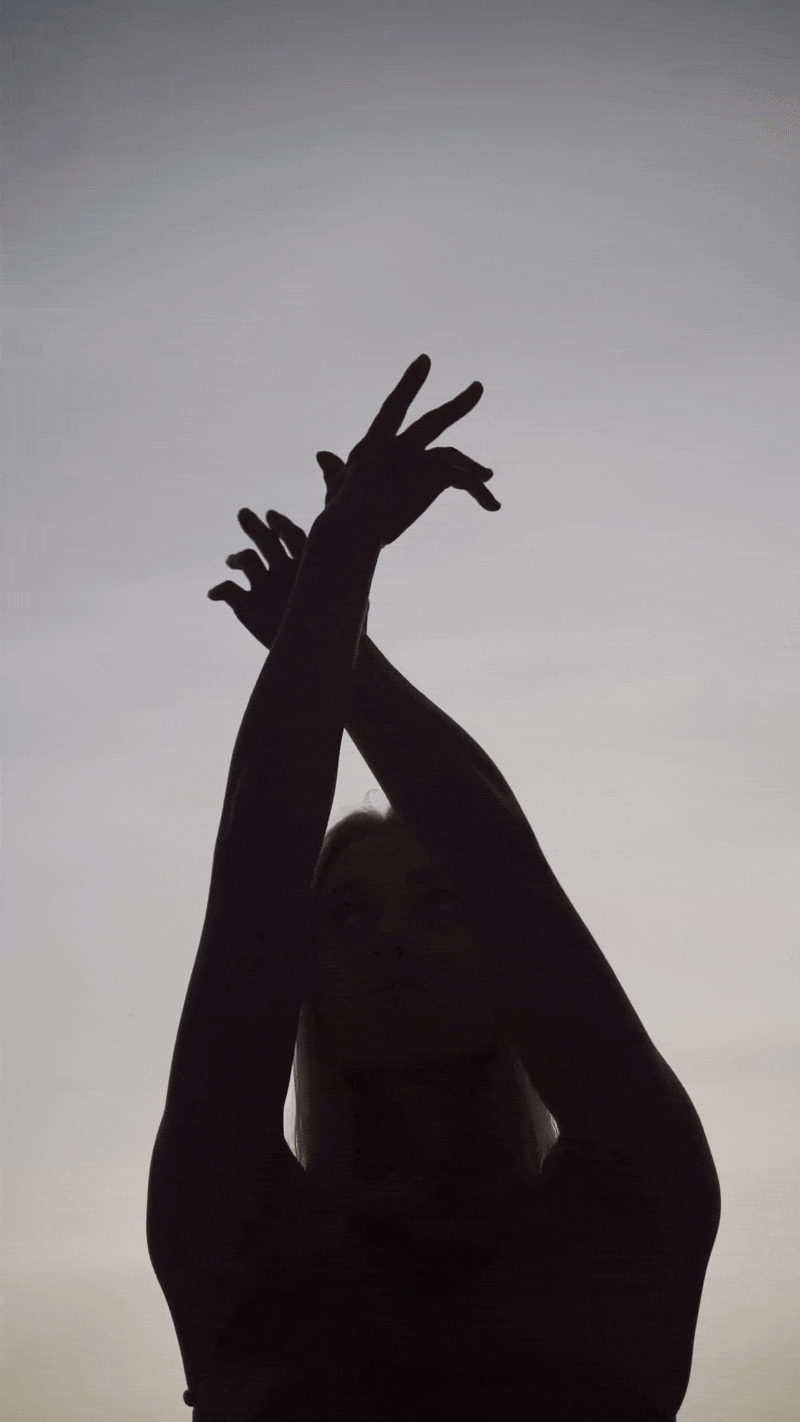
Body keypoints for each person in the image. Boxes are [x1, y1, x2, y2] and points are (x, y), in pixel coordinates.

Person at [147, 356, 721, 1422]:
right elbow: (255, 870)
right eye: (346, 915)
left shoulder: (630, 1212)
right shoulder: (230, 1235)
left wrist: (337, 603)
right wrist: (333, 589)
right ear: (300, 979)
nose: (391, 940)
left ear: (512, 965)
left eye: (439, 904)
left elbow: (502, 858)